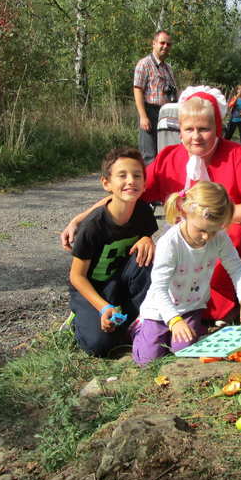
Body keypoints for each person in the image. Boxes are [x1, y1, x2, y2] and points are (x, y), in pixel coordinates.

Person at [62, 85, 241, 323]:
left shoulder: (237, 155)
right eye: (189, 129)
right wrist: (80, 218)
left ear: (217, 128)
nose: (196, 136)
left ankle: (220, 308)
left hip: (238, 235)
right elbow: (128, 192)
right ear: (180, 131)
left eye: (204, 129)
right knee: (168, 245)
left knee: (230, 234)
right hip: (190, 234)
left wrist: (206, 215)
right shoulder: (169, 158)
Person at [131, 181, 241, 365]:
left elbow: (236, 267)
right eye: (202, 230)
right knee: (147, 360)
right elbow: (159, 288)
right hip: (160, 310)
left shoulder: (218, 237)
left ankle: (187, 331)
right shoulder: (170, 244)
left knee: (184, 351)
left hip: (191, 307)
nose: (207, 237)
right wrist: (174, 320)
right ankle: (139, 328)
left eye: (214, 230)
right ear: (185, 213)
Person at [68, 146, 157, 357]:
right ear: (106, 183)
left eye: (137, 176)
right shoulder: (93, 226)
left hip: (122, 283)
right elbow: (76, 276)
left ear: (144, 183)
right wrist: (102, 307)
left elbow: (143, 259)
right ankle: (79, 321)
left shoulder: (144, 211)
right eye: (122, 175)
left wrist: (148, 239)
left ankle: (137, 316)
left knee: (149, 257)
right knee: (102, 346)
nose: (131, 181)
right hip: (93, 290)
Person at [133, 30, 178, 165]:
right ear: (154, 44)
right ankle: (149, 185)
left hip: (166, 114)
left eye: (168, 44)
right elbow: (137, 89)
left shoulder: (168, 68)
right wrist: (143, 116)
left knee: (165, 154)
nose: (165, 46)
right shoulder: (144, 64)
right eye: (162, 43)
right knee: (149, 156)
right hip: (150, 112)